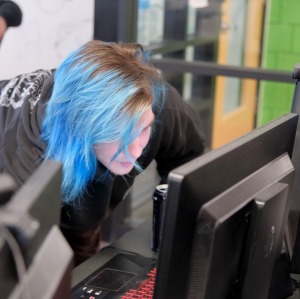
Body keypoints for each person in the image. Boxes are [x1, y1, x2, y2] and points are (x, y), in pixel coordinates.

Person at [0, 40, 205, 266]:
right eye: (121, 138)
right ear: (82, 131)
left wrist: (170, 222)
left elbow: (188, 158)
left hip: (76, 166)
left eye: (145, 128)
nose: (137, 150)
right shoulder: (28, 159)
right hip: (23, 173)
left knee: (84, 261)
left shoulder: (158, 103)